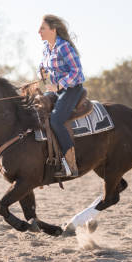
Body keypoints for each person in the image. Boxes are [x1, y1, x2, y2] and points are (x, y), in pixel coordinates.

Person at [38, 14, 85, 178]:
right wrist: (41, 72)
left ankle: (71, 165)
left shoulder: (64, 47)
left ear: (53, 30)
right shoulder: (46, 47)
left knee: (56, 120)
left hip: (71, 89)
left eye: (42, 28)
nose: (39, 31)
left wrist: (58, 85)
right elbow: (43, 65)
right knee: (37, 109)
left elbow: (77, 72)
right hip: (55, 90)